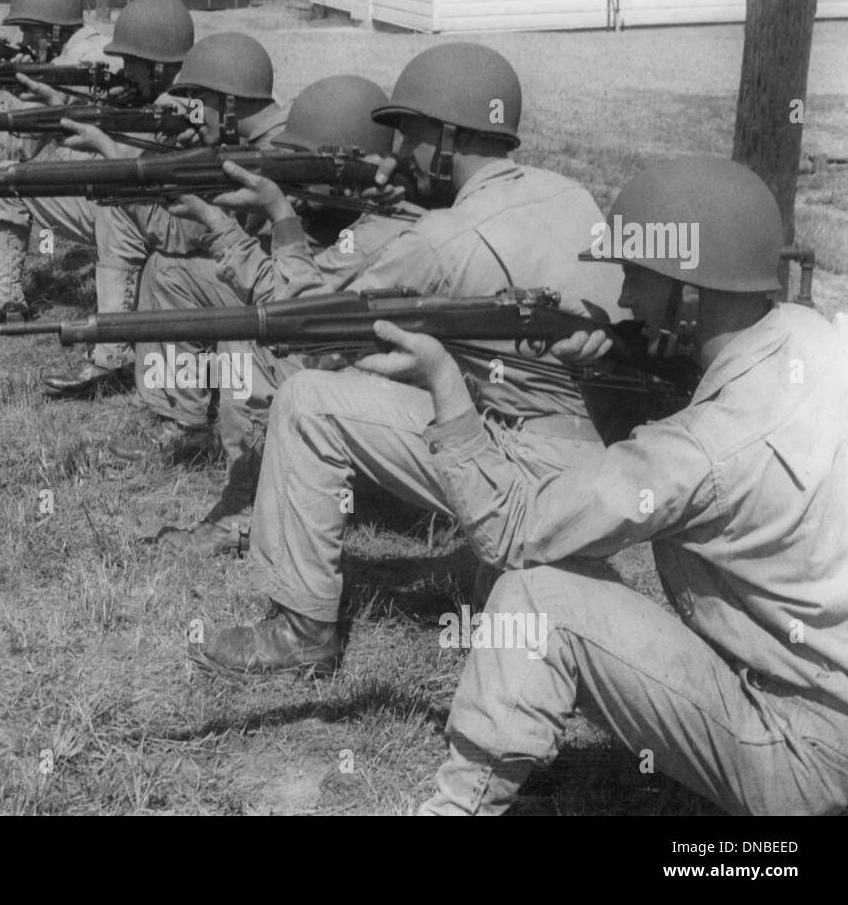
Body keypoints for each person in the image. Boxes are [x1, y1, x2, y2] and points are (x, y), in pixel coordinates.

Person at [342, 156, 848, 816]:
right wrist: (611, 365)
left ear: (690, 298)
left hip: (806, 758)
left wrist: (444, 383)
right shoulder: (818, 338)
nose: (626, 298)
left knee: (535, 597)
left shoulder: (702, 450)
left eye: (638, 276)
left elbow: (512, 529)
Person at [184, 44, 626, 662]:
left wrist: (281, 217)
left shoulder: (441, 241)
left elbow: (315, 327)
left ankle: (301, 631)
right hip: (602, 461)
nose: (396, 155)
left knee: (308, 400)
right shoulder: (569, 193)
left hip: (528, 469)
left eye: (410, 136)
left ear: (448, 139)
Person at [115, 74, 406, 555]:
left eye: (304, 164)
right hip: (344, 348)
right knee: (173, 274)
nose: (289, 179)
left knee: (249, 334)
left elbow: (293, 307)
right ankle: (182, 416)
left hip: (370, 377)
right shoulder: (351, 212)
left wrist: (264, 215)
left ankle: (246, 510)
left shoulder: (375, 236)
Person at [40, 32, 291, 414]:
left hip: (284, 292)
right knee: (166, 266)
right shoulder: (284, 130)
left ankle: (184, 415)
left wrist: (111, 154)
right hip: (288, 277)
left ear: (227, 102)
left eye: (199, 102)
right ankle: (166, 400)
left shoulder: (268, 157)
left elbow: (180, 236)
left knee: (170, 269)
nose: (191, 111)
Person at [0, 0, 192, 335]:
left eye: (29, 30)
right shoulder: (117, 49)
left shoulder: (72, 66)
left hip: (135, 209)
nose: (23, 38)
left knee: (4, 179)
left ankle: (11, 297)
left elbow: (20, 148)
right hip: (139, 199)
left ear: (54, 32)